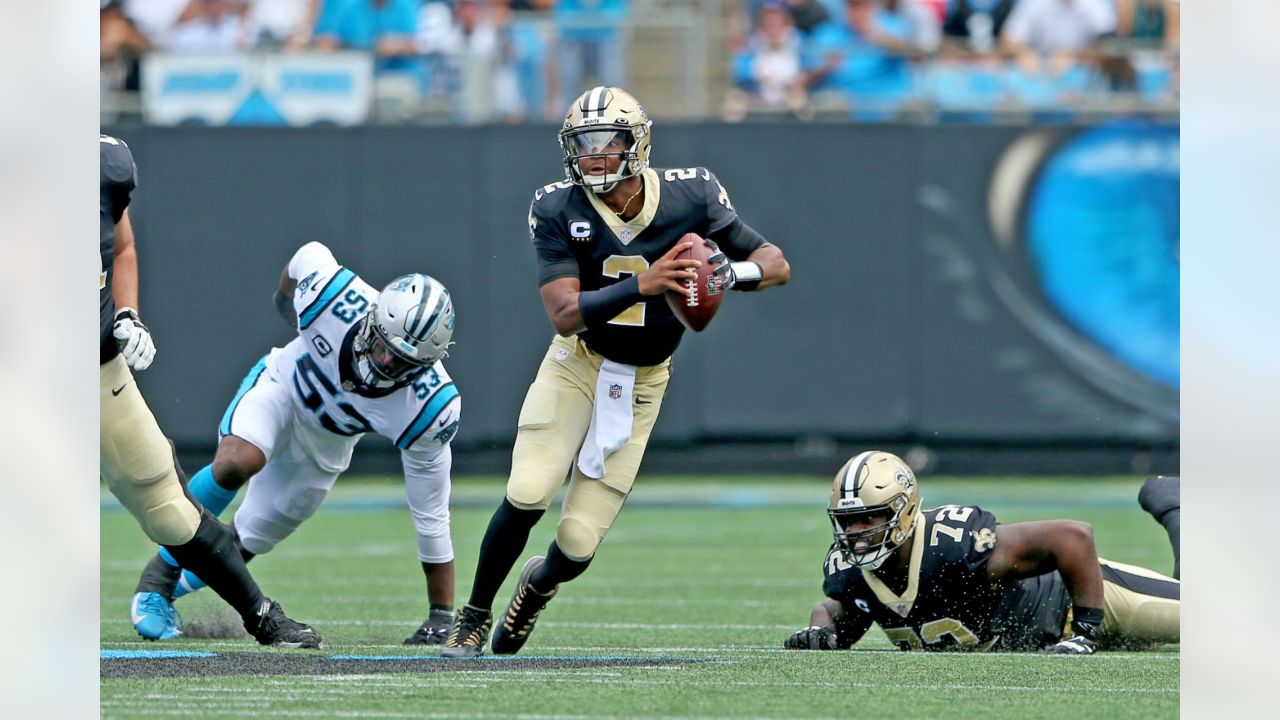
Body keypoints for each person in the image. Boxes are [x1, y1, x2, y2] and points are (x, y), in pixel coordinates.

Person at [441, 85, 791, 658]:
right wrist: (643, 284)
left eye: (606, 144)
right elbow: (563, 315)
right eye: (582, 145)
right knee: (528, 490)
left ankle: (537, 587)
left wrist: (733, 274)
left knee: (577, 542)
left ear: (637, 144)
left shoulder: (692, 195)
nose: (592, 157)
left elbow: (776, 263)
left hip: (644, 382)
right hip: (577, 365)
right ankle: (473, 618)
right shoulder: (557, 206)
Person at [129, 241, 462, 646]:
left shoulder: (429, 404)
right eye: (383, 348)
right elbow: (307, 254)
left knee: (250, 536)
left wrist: (441, 614)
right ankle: (158, 579)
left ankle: (170, 591)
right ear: (372, 320)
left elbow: (431, 514)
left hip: (325, 448)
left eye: (403, 362)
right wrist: (286, 301)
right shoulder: (333, 297)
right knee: (238, 460)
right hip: (281, 389)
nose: (386, 365)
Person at [100, 134, 321, 649]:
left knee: (169, 508)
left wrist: (127, 312)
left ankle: (262, 616)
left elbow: (122, 243)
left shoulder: (104, 165)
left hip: (96, 371)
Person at [784, 451, 1180, 653]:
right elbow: (842, 609)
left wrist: (1085, 632)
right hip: (1048, 640)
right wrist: (822, 631)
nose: (857, 534)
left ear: (903, 510)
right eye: (847, 521)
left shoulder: (951, 543)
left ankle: (1173, 505)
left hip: (1079, 601)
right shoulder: (850, 573)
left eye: (869, 519)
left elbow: (1072, 538)